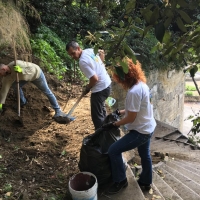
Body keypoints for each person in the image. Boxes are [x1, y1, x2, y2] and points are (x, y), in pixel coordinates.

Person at [103, 58, 156, 194]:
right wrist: (120, 112)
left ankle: (120, 181)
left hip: (140, 131)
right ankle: (146, 181)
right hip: (148, 126)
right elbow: (136, 108)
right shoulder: (142, 84)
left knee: (113, 150)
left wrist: (114, 124)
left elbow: (131, 117)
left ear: (124, 77)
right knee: (145, 155)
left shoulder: (133, 92)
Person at [0, 60, 71, 120]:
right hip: (25, 78)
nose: (1, 75)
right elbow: (4, 89)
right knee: (15, 86)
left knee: (47, 91)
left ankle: (58, 110)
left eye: (0, 73)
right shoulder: (6, 77)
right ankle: (23, 102)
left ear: (3, 69)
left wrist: (21, 70)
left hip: (36, 75)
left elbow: (32, 70)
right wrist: (1, 103)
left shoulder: (16, 63)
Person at [66, 41, 111, 130]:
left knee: (96, 117)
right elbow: (101, 52)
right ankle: (107, 131)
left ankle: (101, 138)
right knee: (101, 110)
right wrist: (101, 65)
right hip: (107, 84)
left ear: (78, 48)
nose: (72, 56)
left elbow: (94, 79)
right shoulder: (90, 50)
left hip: (100, 89)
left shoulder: (82, 61)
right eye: (70, 55)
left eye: (73, 53)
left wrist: (88, 87)